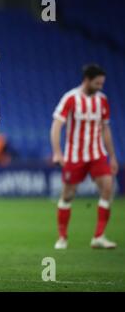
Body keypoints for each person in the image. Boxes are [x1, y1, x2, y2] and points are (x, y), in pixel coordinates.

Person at [51, 64, 118, 250]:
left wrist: (112, 156)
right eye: (98, 83)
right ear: (87, 80)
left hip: (97, 154)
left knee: (107, 188)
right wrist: (57, 152)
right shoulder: (71, 98)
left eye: (102, 83)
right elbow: (57, 125)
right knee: (68, 196)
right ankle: (62, 238)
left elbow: (105, 128)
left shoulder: (102, 100)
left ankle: (99, 236)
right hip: (75, 156)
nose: (100, 87)